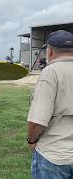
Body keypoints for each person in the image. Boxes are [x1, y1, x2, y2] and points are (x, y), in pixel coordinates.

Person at [27, 30, 73, 178]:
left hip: (54, 157)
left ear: (50, 51)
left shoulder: (50, 72)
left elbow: (37, 120)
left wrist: (31, 140)